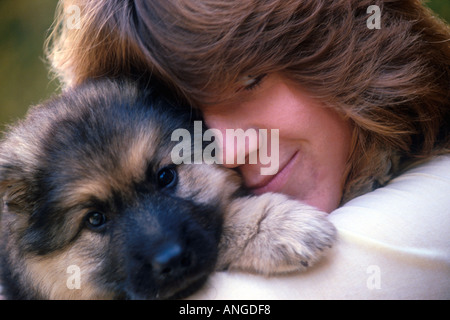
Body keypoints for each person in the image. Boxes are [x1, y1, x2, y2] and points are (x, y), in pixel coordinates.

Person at [46, 0, 450, 299]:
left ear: (342, 43)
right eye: (188, 120)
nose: (226, 149)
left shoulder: (436, 203)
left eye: (249, 80)